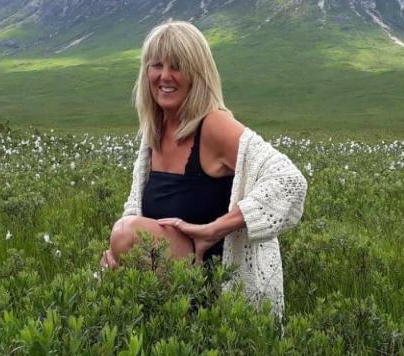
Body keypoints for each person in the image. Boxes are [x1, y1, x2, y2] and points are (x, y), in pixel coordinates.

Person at [101, 20, 307, 319]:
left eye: (177, 66)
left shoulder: (214, 125)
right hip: (173, 286)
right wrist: (118, 261)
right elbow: (139, 216)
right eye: (156, 65)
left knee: (125, 231)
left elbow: (290, 182)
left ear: (198, 74)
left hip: (217, 289)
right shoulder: (155, 133)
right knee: (122, 240)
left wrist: (215, 229)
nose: (164, 76)